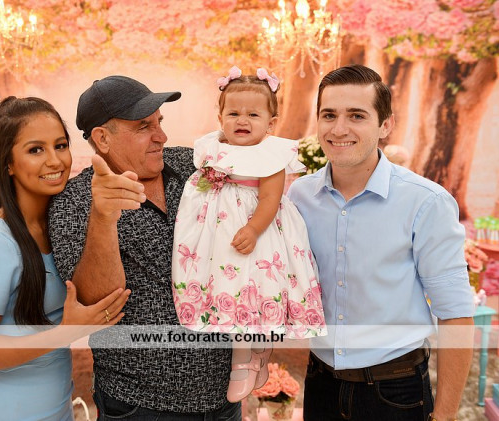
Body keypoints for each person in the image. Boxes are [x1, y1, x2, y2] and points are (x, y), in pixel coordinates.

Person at [287, 64, 475, 421]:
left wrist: (446, 415)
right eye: (329, 115)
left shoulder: (426, 202)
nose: (339, 129)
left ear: (385, 125)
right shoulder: (299, 196)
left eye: (356, 115)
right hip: (319, 384)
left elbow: (455, 314)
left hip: (395, 392)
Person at [48, 76, 242, 420]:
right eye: (143, 127)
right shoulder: (73, 202)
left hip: (223, 399)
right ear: (102, 138)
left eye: (159, 122)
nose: (161, 136)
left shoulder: (193, 167)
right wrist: (103, 218)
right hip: (139, 406)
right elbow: (95, 303)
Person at [0, 96, 130, 421]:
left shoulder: (58, 228)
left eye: (60, 146)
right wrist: (66, 332)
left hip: (55, 411)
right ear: (8, 162)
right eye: (36, 150)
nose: (54, 161)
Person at [171, 66, 326, 403]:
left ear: (271, 122)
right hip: (220, 234)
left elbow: (271, 199)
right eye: (233, 113)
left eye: (253, 115)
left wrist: (254, 228)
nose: (242, 120)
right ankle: (254, 355)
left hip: (260, 232)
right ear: (220, 117)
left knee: (257, 289)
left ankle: (249, 358)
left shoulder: (270, 155)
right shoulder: (212, 147)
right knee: (229, 288)